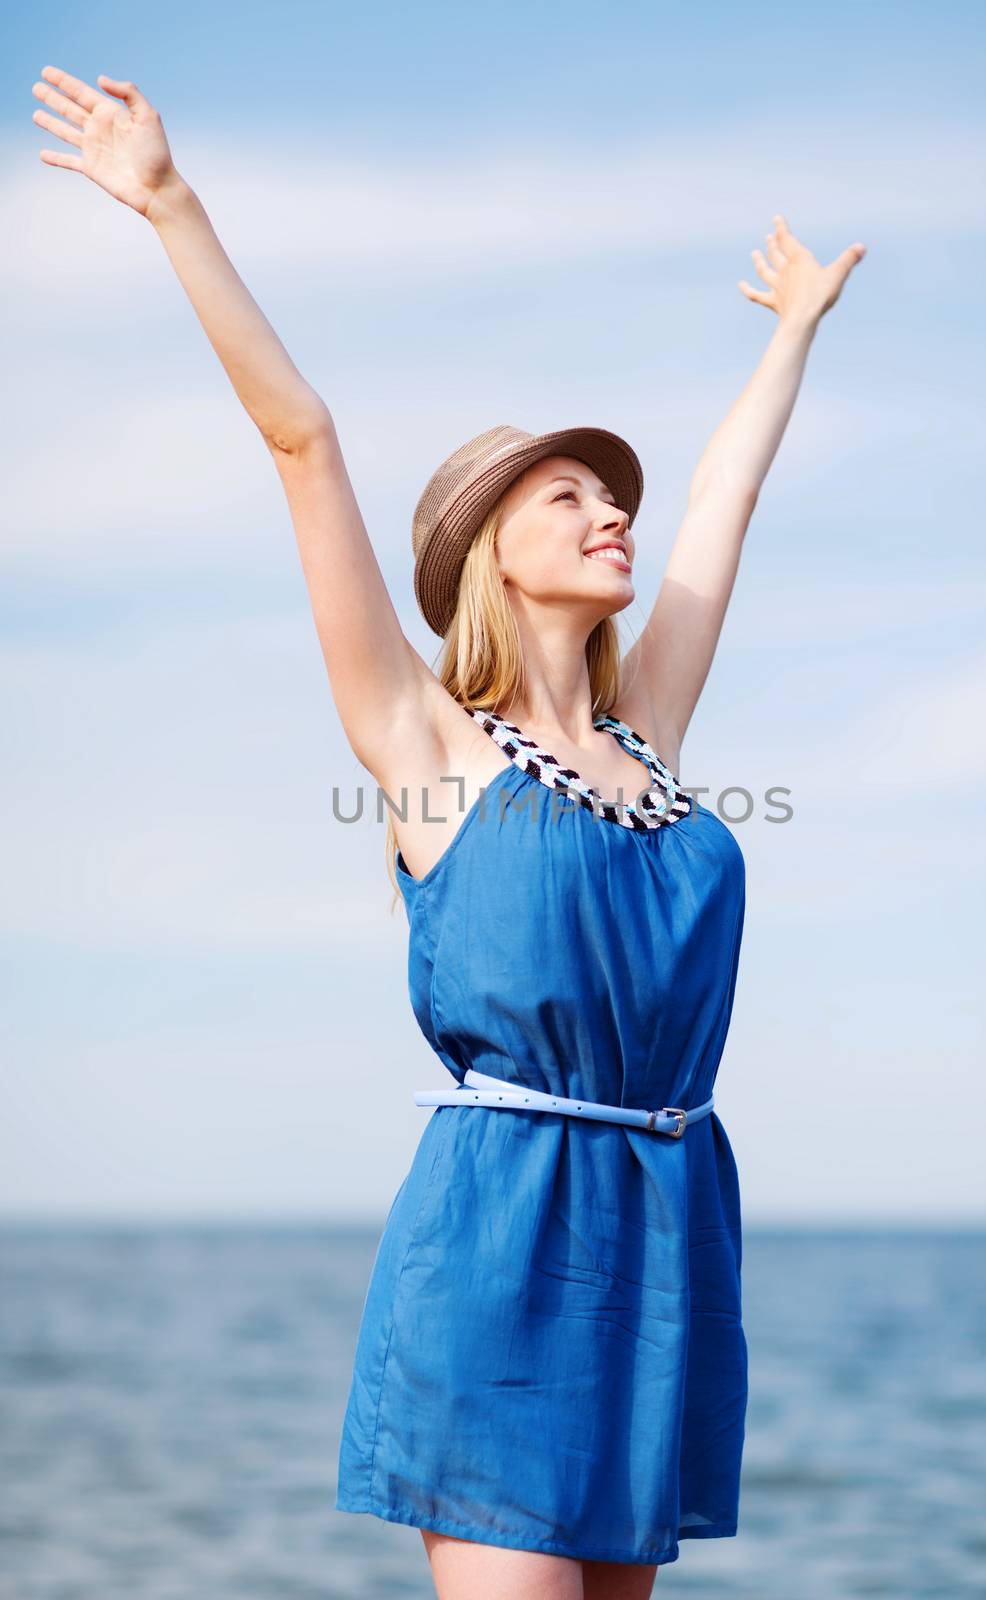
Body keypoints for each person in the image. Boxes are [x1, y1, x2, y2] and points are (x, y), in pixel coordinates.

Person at [31, 63, 866, 1600]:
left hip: (666, 1229)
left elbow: (723, 507)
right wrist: (171, 208)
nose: (614, 512)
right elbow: (303, 441)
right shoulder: (422, 747)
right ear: (488, 551)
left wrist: (795, 334)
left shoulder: (650, 744)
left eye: (617, 497)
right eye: (568, 496)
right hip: (502, 1239)